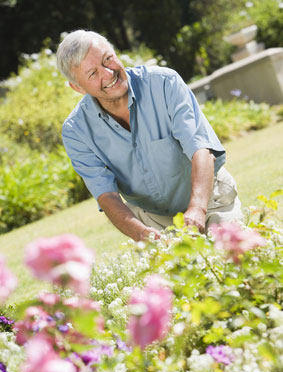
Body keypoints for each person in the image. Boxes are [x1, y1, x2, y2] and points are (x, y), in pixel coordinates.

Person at [56, 30, 243, 242]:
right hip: (152, 219)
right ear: (77, 87)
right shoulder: (76, 131)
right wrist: (141, 233)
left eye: (108, 59)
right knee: (174, 275)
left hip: (209, 199)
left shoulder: (164, 83)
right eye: (93, 73)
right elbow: (106, 195)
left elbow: (200, 149)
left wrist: (198, 209)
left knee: (232, 259)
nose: (108, 73)